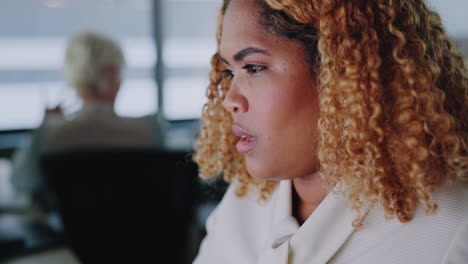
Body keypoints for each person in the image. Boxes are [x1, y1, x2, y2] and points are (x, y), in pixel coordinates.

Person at [192, 0, 468, 263]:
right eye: (229, 72)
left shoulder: (454, 228)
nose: (230, 100)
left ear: (341, 73)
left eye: (253, 68)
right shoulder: (245, 199)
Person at [10, 31, 163, 212]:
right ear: (116, 79)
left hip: (71, 239)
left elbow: (20, 181)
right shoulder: (149, 130)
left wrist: (47, 124)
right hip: (143, 236)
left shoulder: (52, 133)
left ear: (75, 80)